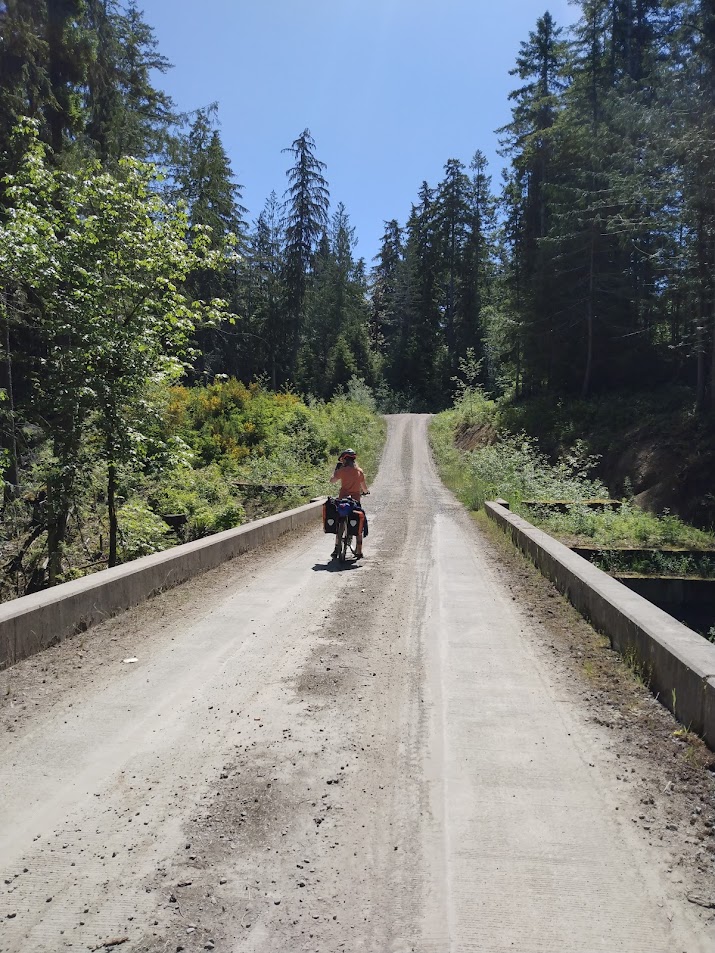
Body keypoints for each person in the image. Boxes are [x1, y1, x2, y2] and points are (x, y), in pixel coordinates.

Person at [330, 448, 369, 558]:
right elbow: (364, 488)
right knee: (359, 525)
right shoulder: (359, 471)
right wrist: (366, 492)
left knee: (339, 522)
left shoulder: (342, 471)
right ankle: (359, 550)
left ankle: (336, 547)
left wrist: (335, 471)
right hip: (354, 502)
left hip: (342, 501)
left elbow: (332, 481)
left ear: (344, 460)